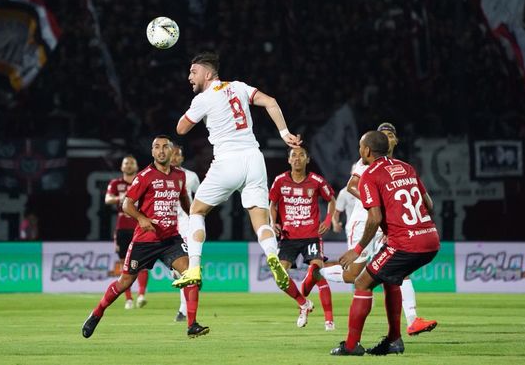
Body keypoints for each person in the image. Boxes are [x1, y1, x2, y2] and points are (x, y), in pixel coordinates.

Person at [172, 51, 302, 297]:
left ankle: (194, 268)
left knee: (197, 211)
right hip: (254, 158)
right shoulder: (240, 87)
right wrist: (285, 135)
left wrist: (193, 108)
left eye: (194, 71)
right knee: (261, 220)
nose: (189, 76)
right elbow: (271, 101)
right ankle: (273, 257)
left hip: (227, 160)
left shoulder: (203, 98)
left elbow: (181, 128)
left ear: (208, 73)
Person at [82, 135, 208, 339]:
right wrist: (141, 219)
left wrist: (195, 214)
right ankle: (96, 313)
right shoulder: (145, 176)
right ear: (152, 152)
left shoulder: (179, 176)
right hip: (145, 240)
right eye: (156, 147)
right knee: (124, 282)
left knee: (191, 274)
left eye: (165, 147)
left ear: (171, 151)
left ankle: (192, 324)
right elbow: (126, 205)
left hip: (170, 239)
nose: (161, 151)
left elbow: (184, 200)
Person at [320, 123, 437, 336]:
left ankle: (412, 320)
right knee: (354, 275)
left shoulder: (400, 167)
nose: (386, 137)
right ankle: (317, 271)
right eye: (382, 134)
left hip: (388, 225)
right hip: (363, 221)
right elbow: (351, 186)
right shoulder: (366, 164)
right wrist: (377, 203)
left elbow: (425, 202)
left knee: (399, 271)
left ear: (395, 140)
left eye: (390, 134)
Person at [269, 145, 338, 330]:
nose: (297, 158)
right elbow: (273, 204)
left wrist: (328, 219)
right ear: (289, 160)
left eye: (301, 155)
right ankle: (303, 303)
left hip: (311, 235)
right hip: (288, 236)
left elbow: (331, 199)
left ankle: (329, 319)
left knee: (317, 271)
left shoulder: (316, 181)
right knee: (279, 276)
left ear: (308, 160)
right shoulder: (280, 181)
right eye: (294, 155)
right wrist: (273, 222)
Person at [105, 155, 149, 309]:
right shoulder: (116, 183)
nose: (129, 165)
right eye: (126, 163)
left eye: (132, 163)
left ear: (136, 166)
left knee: (142, 263)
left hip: (140, 226)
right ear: (122, 167)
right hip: (122, 228)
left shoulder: (142, 181)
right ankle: (129, 299)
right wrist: (120, 198)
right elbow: (107, 199)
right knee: (125, 264)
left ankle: (142, 295)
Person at [170, 145, 201, 322]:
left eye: (177, 155)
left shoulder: (190, 177)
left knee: (185, 271)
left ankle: (183, 310)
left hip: (184, 227)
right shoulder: (156, 175)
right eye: (171, 154)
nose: (174, 158)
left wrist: (198, 219)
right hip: (164, 227)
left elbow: (200, 198)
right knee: (175, 272)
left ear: (182, 158)